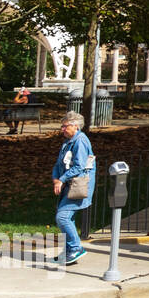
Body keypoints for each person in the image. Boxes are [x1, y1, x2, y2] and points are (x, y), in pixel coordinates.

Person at [50, 112, 95, 265]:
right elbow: (58, 164)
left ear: (76, 126)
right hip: (67, 186)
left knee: (62, 217)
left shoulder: (80, 141)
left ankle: (76, 248)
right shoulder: (68, 142)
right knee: (67, 218)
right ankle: (70, 252)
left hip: (78, 186)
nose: (62, 129)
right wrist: (56, 179)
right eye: (62, 126)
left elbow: (79, 166)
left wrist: (61, 180)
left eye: (65, 126)